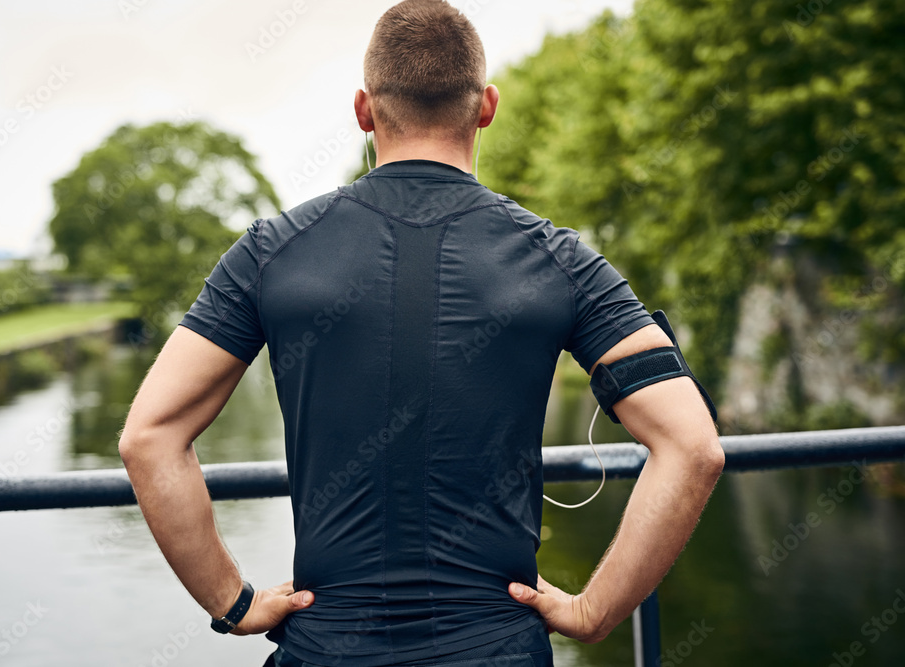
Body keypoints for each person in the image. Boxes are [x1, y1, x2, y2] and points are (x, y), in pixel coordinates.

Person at [118, 1, 725, 666]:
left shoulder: (271, 251)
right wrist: (594, 610)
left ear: (363, 109)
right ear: (486, 107)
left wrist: (231, 602)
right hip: (498, 647)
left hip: (328, 646)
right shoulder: (559, 259)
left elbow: (150, 436)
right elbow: (692, 446)